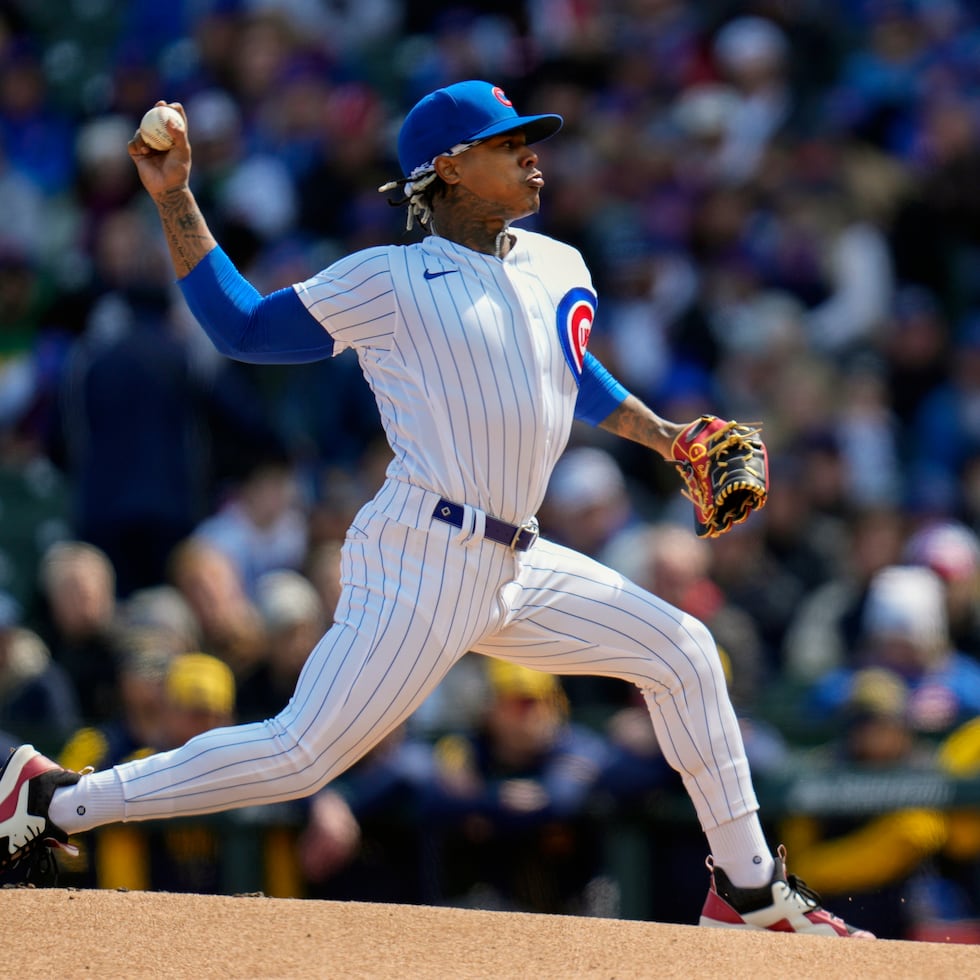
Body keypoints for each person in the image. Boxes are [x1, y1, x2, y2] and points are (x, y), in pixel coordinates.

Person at [0, 80, 871, 937]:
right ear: (448, 168)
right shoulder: (392, 279)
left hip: (519, 562)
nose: (532, 152)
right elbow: (243, 329)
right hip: (424, 553)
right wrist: (178, 196)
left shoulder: (558, 263)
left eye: (529, 137)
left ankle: (750, 894)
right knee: (301, 754)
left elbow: (567, 374)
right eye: (506, 142)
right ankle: (57, 798)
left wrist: (669, 436)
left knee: (682, 652)